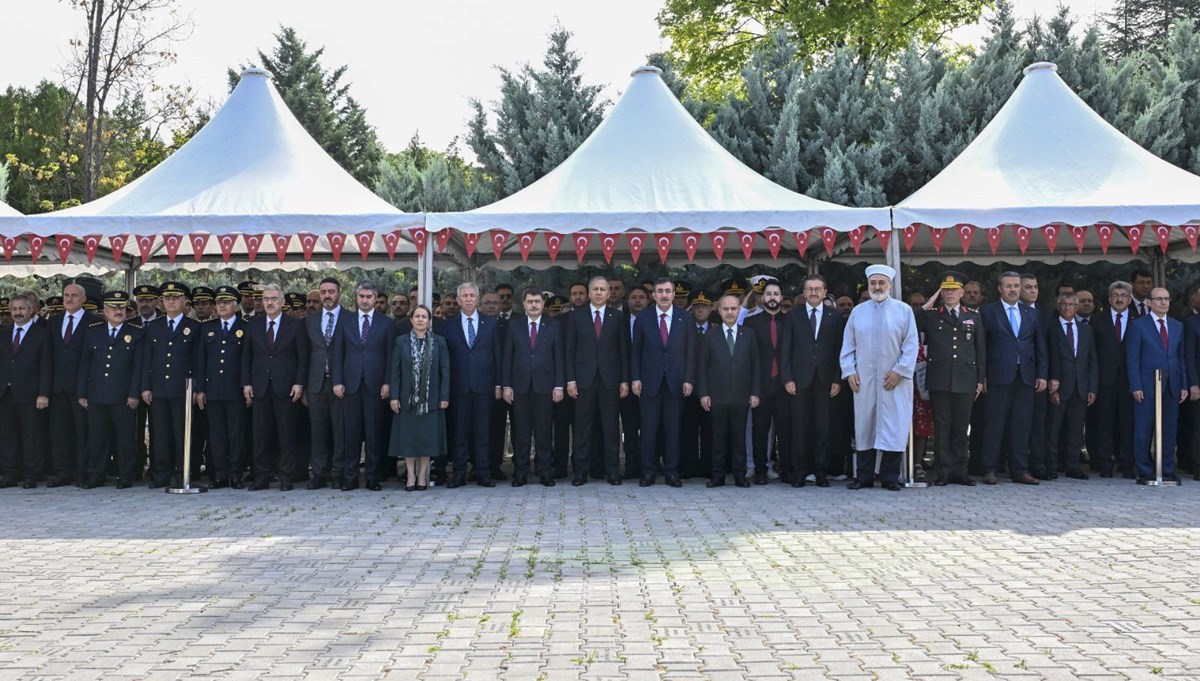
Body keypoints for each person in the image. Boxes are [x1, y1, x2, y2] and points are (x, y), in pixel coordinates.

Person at [839, 265, 918, 491]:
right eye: (873, 283)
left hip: (894, 381)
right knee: (865, 426)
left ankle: (890, 478)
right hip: (864, 381)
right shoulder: (858, 312)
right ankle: (863, 476)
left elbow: (911, 345)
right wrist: (849, 371)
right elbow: (848, 345)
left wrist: (900, 371)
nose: (877, 287)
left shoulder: (903, 311)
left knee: (894, 426)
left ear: (890, 285)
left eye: (881, 283)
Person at [918, 272, 986, 486]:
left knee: (960, 428)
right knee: (942, 427)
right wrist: (931, 300)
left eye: (954, 290)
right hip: (940, 379)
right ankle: (943, 472)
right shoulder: (932, 315)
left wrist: (980, 379)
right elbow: (914, 319)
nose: (950, 294)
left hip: (965, 379)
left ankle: (960, 471)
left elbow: (980, 350)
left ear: (962, 293)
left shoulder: (972, 316)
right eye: (945, 290)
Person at [979, 271, 1047, 485]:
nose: (1013, 289)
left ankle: (1019, 470)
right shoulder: (988, 311)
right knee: (994, 424)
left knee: (1022, 425)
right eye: (1008, 286)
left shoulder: (1031, 313)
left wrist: (1042, 374)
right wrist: (983, 376)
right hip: (998, 375)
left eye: (1016, 286)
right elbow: (982, 346)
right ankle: (990, 469)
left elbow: (1039, 346)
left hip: (1025, 376)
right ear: (1000, 288)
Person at [242, 284, 309, 491]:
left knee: (286, 434)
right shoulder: (253, 324)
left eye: (273, 299)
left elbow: (302, 357)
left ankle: (286, 477)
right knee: (261, 435)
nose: (269, 302)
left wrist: (299, 383)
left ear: (282, 302)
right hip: (260, 387)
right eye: (265, 299)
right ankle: (261, 476)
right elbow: (246, 356)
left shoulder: (295, 325)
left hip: (286, 387)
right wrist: (246, 383)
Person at [564, 276, 629, 485]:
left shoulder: (617, 317)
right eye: (595, 289)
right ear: (589, 293)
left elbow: (623, 352)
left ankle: (612, 471)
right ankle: (581, 472)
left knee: (611, 427)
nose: (599, 293)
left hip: (610, 380)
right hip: (583, 380)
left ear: (609, 293)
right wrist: (570, 380)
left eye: (603, 289)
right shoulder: (576, 317)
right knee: (582, 427)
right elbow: (570, 350)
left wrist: (624, 380)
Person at [781, 275, 844, 488]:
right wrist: (787, 377)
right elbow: (785, 350)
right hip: (799, 380)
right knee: (799, 428)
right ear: (804, 292)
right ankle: (799, 472)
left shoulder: (835, 316)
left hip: (826, 380)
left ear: (825, 291)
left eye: (818, 289)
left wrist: (838, 379)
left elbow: (839, 351)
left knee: (823, 428)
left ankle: (820, 472)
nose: (814, 293)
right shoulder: (793, 316)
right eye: (810, 289)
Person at [631, 278, 695, 487]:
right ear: (654, 295)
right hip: (649, 382)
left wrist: (688, 379)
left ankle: (671, 473)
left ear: (674, 294)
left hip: (676, 383)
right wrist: (636, 377)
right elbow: (636, 351)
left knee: (673, 430)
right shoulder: (643, 318)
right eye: (660, 291)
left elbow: (690, 352)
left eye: (668, 291)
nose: (665, 295)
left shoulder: (685, 318)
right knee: (648, 430)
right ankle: (648, 472)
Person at [76, 291, 143, 489]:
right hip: (97, 394)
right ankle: (96, 474)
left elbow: (137, 367)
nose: (118, 311)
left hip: (123, 396)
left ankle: (125, 475)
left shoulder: (136, 332)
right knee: (97, 437)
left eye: (121, 307)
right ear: (104, 311)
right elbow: (85, 364)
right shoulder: (93, 331)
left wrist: (133, 393)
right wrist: (81, 392)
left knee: (124, 438)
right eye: (113, 307)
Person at [332, 282, 395, 490]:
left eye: (369, 297)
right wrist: (337, 381)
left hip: (376, 385)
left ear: (375, 299)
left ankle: (372, 477)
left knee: (373, 432)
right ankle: (350, 477)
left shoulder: (386, 323)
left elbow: (390, 356)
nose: (365, 300)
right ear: (356, 298)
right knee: (351, 432)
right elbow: (338, 353)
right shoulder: (345, 322)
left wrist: (388, 381)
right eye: (362, 296)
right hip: (350, 384)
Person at [501, 288, 565, 487]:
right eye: (530, 302)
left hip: (545, 386)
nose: (534, 305)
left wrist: (559, 385)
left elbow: (559, 358)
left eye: (537, 301)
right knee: (521, 432)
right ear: (524, 304)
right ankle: (521, 472)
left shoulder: (553, 326)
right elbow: (507, 357)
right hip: (519, 387)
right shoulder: (514, 325)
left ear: (543, 304)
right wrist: (506, 385)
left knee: (544, 431)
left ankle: (545, 471)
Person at [141, 282, 201, 489]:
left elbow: (197, 360)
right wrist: (145, 386)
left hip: (182, 389)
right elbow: (146, 359)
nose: (172, 301)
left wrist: (197, 388)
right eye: (167, 298)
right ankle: (161, 472)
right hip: (158, 388)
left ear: (184, 301)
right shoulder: (154, 326)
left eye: (176, 297)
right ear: (161, 302)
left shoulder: (193, 327)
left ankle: (181, 471)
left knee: (181, 433)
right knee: (159, 432)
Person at [699, 294, 761, 487]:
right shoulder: (711, 335)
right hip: (717, 395)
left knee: (739, 437)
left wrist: (755, 392)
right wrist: (704, 393)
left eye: (733, 309)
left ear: (738, 310)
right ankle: (717, 475)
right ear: (719, 310)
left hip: (741, 395)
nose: (729, 312)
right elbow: (702, 366)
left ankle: (739, 475)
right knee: (717, 437)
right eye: (725, 309)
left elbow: (755, 366)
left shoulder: (748, 334)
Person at [443, 282, 501, 488]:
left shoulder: (491, 323)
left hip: (484, 386)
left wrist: (499, 384)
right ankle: (459, 474)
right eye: (464, 296)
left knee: (483, 431)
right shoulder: (448, 325)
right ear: (458, 300)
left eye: (471, 295)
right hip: (458, 387)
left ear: (477, 299)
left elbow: (497, 355)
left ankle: (483, 473)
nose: (468, 299)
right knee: (460, 432)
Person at [1127, 287, 1187, 483]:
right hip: (1147, 385)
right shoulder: (1138, 326)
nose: (1164, 302)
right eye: (1159, 299)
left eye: (1167, 299)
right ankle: (1145, 469)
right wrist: (1136, 385)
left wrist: (1184, 385)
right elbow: (1133, 358)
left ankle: (1167, 468)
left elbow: (1181, 358)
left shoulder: (1177, 326)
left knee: (1169, 429)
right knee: (1144, 428)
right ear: (1150, 302)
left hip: (1171, 385)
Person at [389, 305, 449, 492]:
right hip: (408, 399)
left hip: (431, 400)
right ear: (411, 320)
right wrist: (394, 396)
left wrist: (444, 396)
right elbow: (396, 371)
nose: (421, 319)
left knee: (427, 439)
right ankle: (410, 475)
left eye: (424, 316)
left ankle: (422, 475)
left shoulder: (439, 342)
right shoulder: (401, 342)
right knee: (409, 439)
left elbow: (445, 371)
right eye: (417, 316)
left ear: (429, 320)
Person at [194, 286, 249, 489]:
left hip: (235, 390)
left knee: (236, 435)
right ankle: (219, 474)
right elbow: (201, 360)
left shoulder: (245, 327)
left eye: (226, 302)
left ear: (235, 305)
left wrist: (246, 386)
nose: (222, 306)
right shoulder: (207, 328)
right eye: (219, 303)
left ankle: (235, 474)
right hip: (213, 390)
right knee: (215, 435)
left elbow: (246, 360)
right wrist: (200, 389)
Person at [46, 283, 100, 487]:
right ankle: (62, 473)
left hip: (81, 388)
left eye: (74, 296)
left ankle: (82, 472)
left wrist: (85, 388)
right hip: (58, 387)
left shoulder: (94, 322)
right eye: (66, 295)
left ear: (83, 299)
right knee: (59, 433)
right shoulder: (54, 321)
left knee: (82, 433)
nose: (69, 299)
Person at [0, 293, 52, 488]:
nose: (17, 313)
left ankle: (32, 474)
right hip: (5, 394)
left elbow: (46, 366)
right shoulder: (3, 334)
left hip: (31, 395)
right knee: (7, 436)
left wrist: (43, 393)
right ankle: (10, 473)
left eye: (21, 309)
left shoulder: (42, 335)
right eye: (14, 309)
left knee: (32, 436)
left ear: (31, 310)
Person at [1044, 292, 1098, 480]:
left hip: (1081, 387)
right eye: (1064, 304)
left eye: (1071, 304)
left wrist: (1092, 388)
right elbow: (1048, 356)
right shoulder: (1051, 327)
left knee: (1076, 430)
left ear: (1076, 308)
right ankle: (1051, 466)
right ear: (1058, 307)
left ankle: (1073, 466)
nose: (1067, 308)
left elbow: (1092, 360)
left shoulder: (1086, 330)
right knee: (1053, 429)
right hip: (1059, 386)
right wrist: (1053, 381)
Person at [743, 278, 789, 485]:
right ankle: (760, 470)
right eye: (768, 294)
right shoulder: (751, 323)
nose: (772, 298)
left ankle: (786, 470)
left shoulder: (790, 321)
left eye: (776, 294)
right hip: (761, 385)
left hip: (784, 385)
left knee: (785, 429)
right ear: (762, 297)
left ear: (781, 297)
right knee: (760, 430)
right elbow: (749, 357)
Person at [304, 277, 348, 490]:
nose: (327, 296)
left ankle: (339, 473)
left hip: (340, 384)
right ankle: (320, 473)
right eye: (323, 292)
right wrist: (302, 385)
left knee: (340, 431)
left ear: (339, 293)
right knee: (318, 430)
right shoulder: (310, 321)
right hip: (316, 383)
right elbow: (304, 356)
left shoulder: (350, 318)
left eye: (331, 291)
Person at [1091, 282, 1136, 478]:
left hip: (1130, 381)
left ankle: (1126, 463)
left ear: (1130, 299)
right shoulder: (1097, 320)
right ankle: (1105, 464)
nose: (1119, 298)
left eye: (1124, 295)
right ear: (1109, 299)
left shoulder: (1139, 320)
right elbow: (1091, 353)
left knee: (1127, 424)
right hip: (1105, 380)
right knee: (1104, 423)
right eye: (1116, 295)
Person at [680, 291, 715, 479]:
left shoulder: (717, 329)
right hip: (689, 387)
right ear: (691, 309)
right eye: (697, 307)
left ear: (711, 309)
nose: (701, 310)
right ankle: (689, 466)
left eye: (705, 306)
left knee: (710, 430)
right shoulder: (684, 328)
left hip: (710, 388)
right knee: (689, 429)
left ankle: (708, 466)